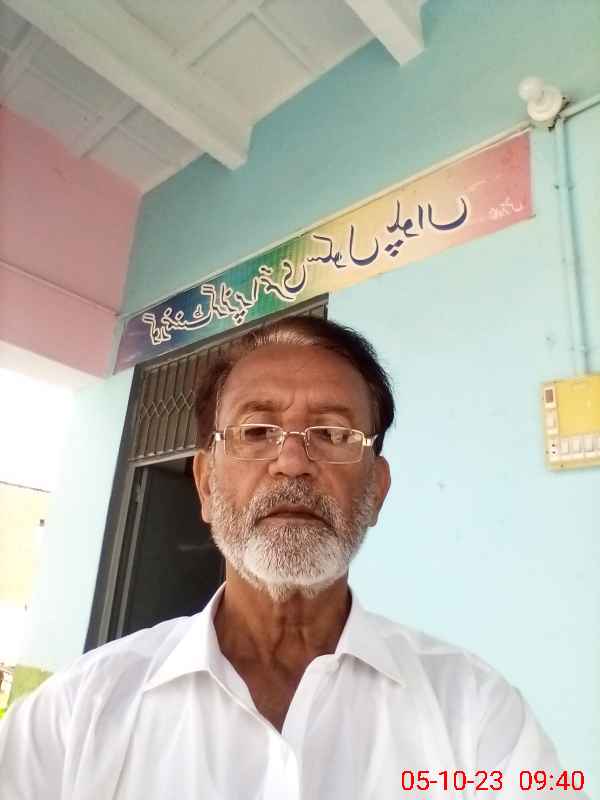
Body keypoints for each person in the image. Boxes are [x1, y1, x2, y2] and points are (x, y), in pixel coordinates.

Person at [0, 317, 585, 799]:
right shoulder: (76, 715)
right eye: (257, 431)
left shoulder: (475, 712)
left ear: (376, 491)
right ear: (206, 484)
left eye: (333, 434)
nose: (293, 463)